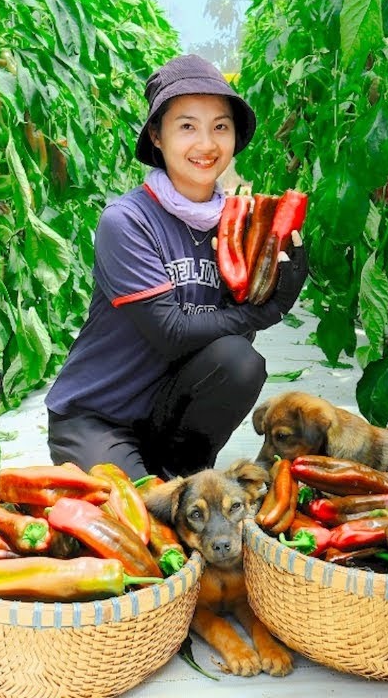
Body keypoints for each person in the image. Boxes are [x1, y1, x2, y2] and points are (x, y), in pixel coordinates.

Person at [44, 54, 308, 480]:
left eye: (220, 126)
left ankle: (179, 468)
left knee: (240, 361)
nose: (206, 144)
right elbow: (171, 333)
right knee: (142, 518)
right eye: (187, 126)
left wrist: (269, 282)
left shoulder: (238, 224)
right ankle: (150, 478)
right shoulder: (128, 221)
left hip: (168, 415)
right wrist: (269, 309)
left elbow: (230, 334)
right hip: (98, 416)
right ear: (157, 136)